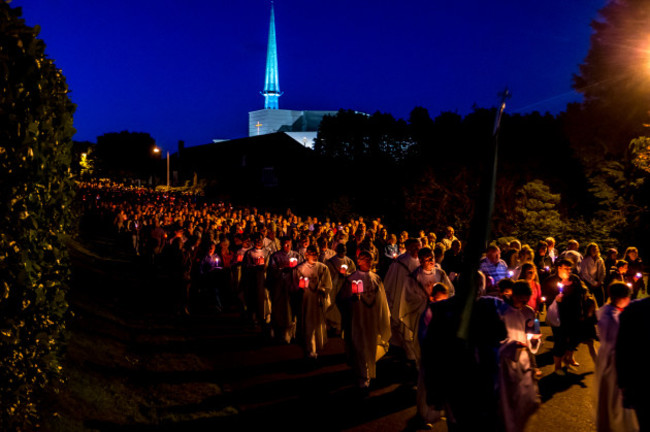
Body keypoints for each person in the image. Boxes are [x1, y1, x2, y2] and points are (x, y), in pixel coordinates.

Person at [336, 251, 391, 393]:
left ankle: (366, 372)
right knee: (359, 347)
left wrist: (383, 318)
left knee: (371, 347)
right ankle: (363, 377)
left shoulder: (377, 279)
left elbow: (382, 301)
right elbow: (341, 300)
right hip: (358, 319)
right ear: (358, 261)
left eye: (370, 259)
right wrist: (351, 301)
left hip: (372, 319)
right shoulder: (350, 279)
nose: (368, 261)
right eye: (364, 259)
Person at [498, 280, 541, 432]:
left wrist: (535, 339)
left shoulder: (529, 312)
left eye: (526, 300)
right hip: (506, 362)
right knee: (508, 400)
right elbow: (495, 339)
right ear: (513, 295)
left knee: (525, 400)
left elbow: (535, 332)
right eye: (520, 299)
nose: (523, 303)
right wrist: (511, 345)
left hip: (524, 360)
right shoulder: (502, 311)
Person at [399, 247, 454, 364]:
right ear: (420, 261)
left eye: (432, 257)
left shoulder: (441, 274)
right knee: (422, 344)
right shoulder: (413, 278)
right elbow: (408, 298)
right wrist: (425, 300)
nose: (431, 260)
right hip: (421, 315)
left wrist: (440, 299)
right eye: (428, 258)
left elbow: (450, 291)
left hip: (439, 315)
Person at [595, 282, 638, 432]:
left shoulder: (610, 311)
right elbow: (618, 340)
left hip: (610, 355)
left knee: (611, 395)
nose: (629, 300)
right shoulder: (610, 316)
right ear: (620, 298)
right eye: (627, 297)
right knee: (614, 394)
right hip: (613, 359)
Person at [293, 245, 333, 359]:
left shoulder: (323, 268)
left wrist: (323, 290)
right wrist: (298, 290)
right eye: (312, 253)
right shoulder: (300, 268)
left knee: (317, 324)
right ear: (306, 254)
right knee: (307, 324)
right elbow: (294, 284)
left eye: (316, 254)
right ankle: (310, 349)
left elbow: (328, 285)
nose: (315, 256)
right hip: (305, 302)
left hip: (317, 301)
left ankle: (316, 347)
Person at [616, 296, 650, 430]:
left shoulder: (634, 309)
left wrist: (623, 382)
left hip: (641, 381)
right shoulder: (634, 310)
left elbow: (622, 348)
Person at [383, 238, 421, 350]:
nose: (416, 249)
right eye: (414, 247)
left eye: (418, 247)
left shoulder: (421, 261)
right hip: (401, 296)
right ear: (408, 248)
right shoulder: (400, 262)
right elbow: (390, 280)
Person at [267, 236, 300, 343]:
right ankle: (278, 330)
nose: (287, 246)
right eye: (285, 244)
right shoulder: (275, 256)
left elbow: (302, 268)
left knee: (293, 308)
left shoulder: (296, 255)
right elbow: (272, 270)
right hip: (279, 288)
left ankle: (292, 332)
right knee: (280, 309)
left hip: (293, 286)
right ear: (281, 244)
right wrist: (282, 270)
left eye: (289, 244)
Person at [325, 243, 356, 335]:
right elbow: (327, 275)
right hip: (334, 287)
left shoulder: (349, 262)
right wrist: (337, 276)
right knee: (332, 306)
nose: (343, 252)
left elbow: (354, 274)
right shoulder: (331, 262)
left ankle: (343, 326)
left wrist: (346, 275)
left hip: (346, 287)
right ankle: (333, 325)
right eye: (341, 250)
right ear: (337, 250)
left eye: (344, 250)